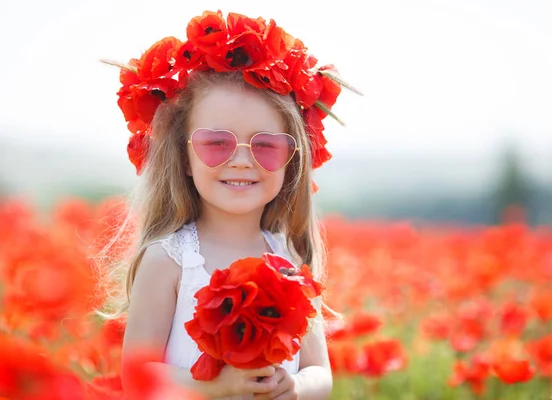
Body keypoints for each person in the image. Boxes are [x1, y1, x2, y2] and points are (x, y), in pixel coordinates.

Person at [101, 9, 360, 400]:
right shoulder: (169, 261)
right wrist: (217, 388)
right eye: (216, 143)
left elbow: (318, 371)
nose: (241, 160)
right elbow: (138, 376)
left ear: (292, 160)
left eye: (266, 145)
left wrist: (297, 388)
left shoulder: (286, 261)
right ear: (184, 158)